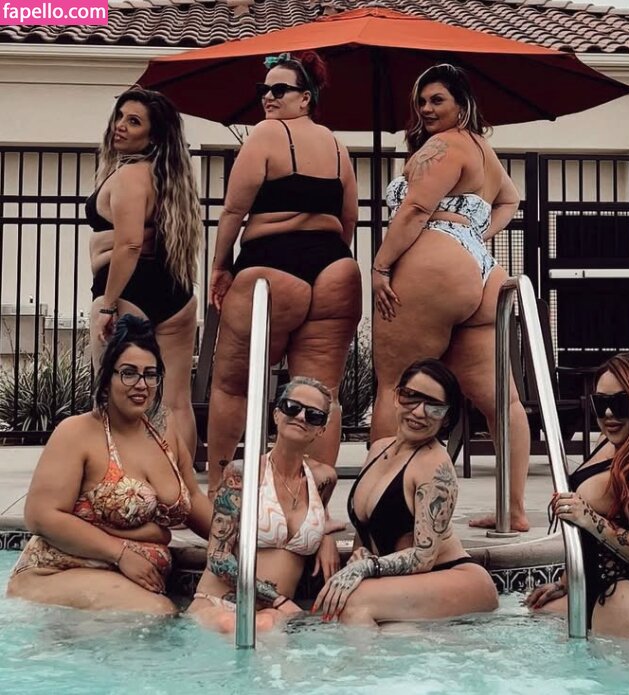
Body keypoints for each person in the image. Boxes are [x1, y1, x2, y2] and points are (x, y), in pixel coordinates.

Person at [370, 64, 530, 532]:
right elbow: (510, 199)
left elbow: (416, 209)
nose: (426, 108)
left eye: (437, 99)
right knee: (502, 401)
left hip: (434, 263)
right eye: (421, 101)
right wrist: (475, 233)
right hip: (481, 270)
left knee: (394, 385)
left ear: (462, 103)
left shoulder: (443, 146)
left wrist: (380, 266)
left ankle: (379, 510)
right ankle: (514, 510)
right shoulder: (482, 149)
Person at [207, 51, 361, 498]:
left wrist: (220, 266)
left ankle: (219, 492)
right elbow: (348, 218)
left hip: (272, 264)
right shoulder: (337, 146)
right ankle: (312, 504)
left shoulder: (266, 134)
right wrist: (328, 253)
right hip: (335, 267)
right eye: (264, 90)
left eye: (279, 89)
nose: (268, 98)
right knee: (321, 394)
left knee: (233, 385)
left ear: (305, 97)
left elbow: (233, 210)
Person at [6, 315, 212, 614]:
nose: (141, 384)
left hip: (124, 584)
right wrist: (121, 553)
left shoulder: (164, 434)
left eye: (150, 374)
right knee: (158, 612)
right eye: (128, 373)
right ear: (107, 378)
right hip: (56, 574)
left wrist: (243, 542)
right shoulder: (77, 432)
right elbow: (41, 515)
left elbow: (193, 499)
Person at [313, 359, 498, 625]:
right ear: (396, 396)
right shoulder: (379, 449)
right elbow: (365, 531)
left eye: (434, 406)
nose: (419, 412)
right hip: (406, 582)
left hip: (454, 577)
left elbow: (424, 557)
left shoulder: (435, 466)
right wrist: (359, 555)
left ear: (447, 417)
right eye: (411, 396)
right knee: (362, 612)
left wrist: (368, 567)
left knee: (355, 603)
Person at [526, 352, 629, 639]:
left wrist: (591, 519)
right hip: (603, 594)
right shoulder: (612, 443)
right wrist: (567, 581)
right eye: (600, 402)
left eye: (620, 403)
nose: (607, 414)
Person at [87, 87, 203, 457]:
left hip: (128, 293)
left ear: (152, 136)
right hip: (175, 293)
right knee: (176, 401)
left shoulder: (130, 176)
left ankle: (121, 478)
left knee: (116, 395)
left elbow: (130, 244)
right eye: (120, 116)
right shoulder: (170, 179)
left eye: (133, 121)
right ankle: (180, 479)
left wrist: (108, 305)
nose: (120, 126)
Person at [188, 376, 341, 634]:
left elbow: (316, 518)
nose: (301, 417)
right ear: (277, 414)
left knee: (269, 630)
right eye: (293, 407)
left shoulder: (324, 479)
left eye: (313, 415)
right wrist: (278, 599)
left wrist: (325, 537)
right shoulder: (242, 474)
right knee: (243, 628)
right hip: (220, 606)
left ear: (321, 429)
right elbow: (218, 557)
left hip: (271, 616)